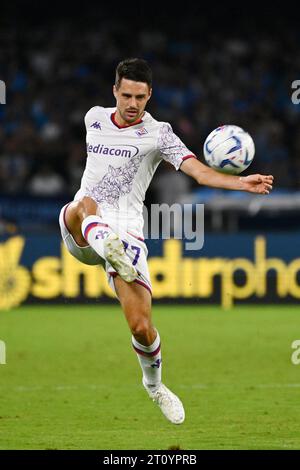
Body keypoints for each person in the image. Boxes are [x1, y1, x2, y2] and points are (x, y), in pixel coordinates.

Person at [59, 58, 273, 425]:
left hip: (127, 233)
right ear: (114, 91)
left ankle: (154, 385)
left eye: (140, 97)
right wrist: (98, 227)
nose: (132, 104)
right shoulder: (93, 118)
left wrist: (240, 182)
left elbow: (199, 172)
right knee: (83, 204)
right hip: (82, 226)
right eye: (126, 95)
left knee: (141, 326)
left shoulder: (159, 134)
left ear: (150, 95)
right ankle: (103, 238)